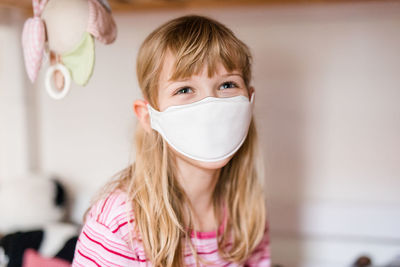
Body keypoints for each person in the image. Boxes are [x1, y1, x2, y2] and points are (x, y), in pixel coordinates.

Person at [72, 15, 270, 267]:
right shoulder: (118, 224)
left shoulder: (247, 213)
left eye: (227, 85)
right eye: (185, 90)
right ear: (147, 115)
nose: (210, 105)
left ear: (249, 102)